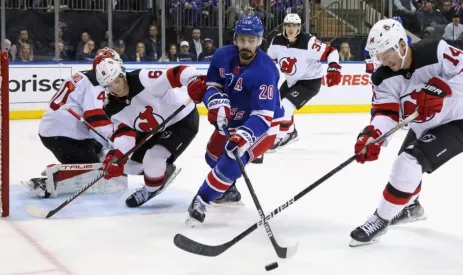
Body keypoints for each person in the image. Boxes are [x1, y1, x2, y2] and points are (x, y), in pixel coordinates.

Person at [350, 18, 463, 247]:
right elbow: (386, 112)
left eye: (385, 54)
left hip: (460, 123)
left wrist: (444, 89)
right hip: (422, 126)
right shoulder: (382, 78)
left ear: (401, 46)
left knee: (407, 164)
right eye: (378, 56)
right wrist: (372, 136)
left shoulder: (435, 52)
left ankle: (380, 219)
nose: (382, 61)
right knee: (405, 171)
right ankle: (412, 207)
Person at [185, 16, 284, 226]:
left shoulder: (266, 70)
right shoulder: (222, 56)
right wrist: (212, 101)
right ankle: (228, 188)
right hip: (233, 119)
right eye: (242, 39)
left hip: (262, 126)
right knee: (213, 155)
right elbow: (213, 87)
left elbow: (262, 116)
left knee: (231, 160)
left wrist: (243, 137)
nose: (246, 45)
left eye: (251, 39)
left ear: (259, 41)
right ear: (235, 38)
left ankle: (201, 200)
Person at [96, 58, 207, 207]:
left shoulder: (143, 79)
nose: (115, 88)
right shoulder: (111, 107)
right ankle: (160, 172)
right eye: (109, 85)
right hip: (154, 129)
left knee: (153, 158)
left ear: (122, 74)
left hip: (181, 121)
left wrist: (193, 80)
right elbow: (124, 132)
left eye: (116, 81)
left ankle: (151, 188)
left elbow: (176, 73)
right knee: (128, 164)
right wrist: (118, 156)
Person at [22, 48, 127, 198]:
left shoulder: (86, 76)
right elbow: (96, 122)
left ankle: (68, 168)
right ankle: (52, 180)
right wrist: (117, 143)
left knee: (101, 151)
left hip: (57, 131)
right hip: (64, 136)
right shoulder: (97, 84)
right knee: (95, 172)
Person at [267, 13, 341, 152]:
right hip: (291, 81)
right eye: (288, 25)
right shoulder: (276, 41)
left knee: (285, 107)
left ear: (299, 27)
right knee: (277, 106)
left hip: (310, 82)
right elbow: (269, 62)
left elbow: (332, 51)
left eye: (294, 25)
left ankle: (278, 137)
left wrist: (333, 68)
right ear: (284, 26)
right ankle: (291, 132)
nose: (291, 29)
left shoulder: (309, 41)